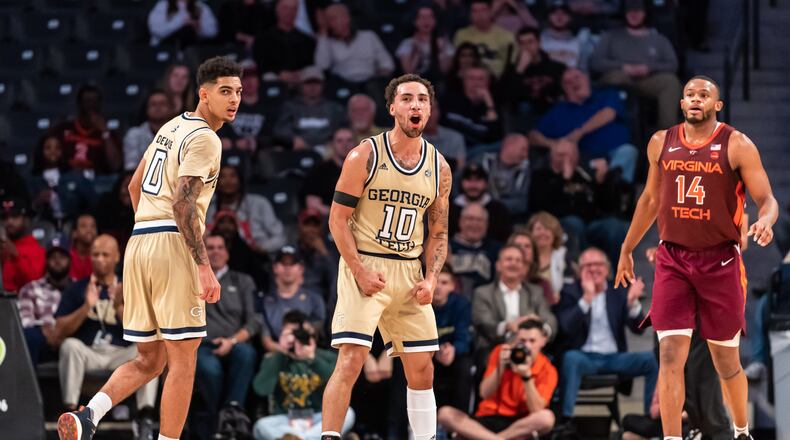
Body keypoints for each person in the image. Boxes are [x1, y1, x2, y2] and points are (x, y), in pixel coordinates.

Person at [56, 56, 243, 440]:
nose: (234, 99)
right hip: (173, 244)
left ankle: (89, 415)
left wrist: (150, 232)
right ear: (203, 94)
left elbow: (133, 186)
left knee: (149, 359)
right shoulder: (206, 138)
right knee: (184, 360)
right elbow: (183, 205)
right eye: (225, 91)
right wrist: (203, 266)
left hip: (139, 242)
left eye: (239, 92)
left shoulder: (170, 127)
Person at [615, 75, 779, 440]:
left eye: (703, 95)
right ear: (681, 103)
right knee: (670, 355)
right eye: (689, 94)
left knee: (727, 361)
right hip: (673, 260)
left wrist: (765, 220)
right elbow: (649, 201)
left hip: (720, 261)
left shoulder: (736, 144)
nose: (695, 99)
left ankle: (741, 431)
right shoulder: (661, 142)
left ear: (716, 105)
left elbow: (766, 199)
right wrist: (626, 248)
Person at [321, 74, 452, 440]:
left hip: (410, 270)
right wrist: (360, 271)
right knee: (350, 361)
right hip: (366, 262)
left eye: (422, 100)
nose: (415, 105)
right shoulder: (365, 154)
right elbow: (337, 220)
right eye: (407, 99)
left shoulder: (440, 167)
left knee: (422, 368)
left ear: (429, 109)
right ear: (392, 107)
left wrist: (431, 278)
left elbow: (439, 232)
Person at [55, 235, 159, 438]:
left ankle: (144, 416)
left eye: (105, 254)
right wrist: (87, 306)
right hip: (89, 355)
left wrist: (120, 306)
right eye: (95, 254)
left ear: (117, 257)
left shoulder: (130, 288)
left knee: (151, 352)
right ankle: (74, 415)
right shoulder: (78, 288)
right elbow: (59, 331)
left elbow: (147, 330)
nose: (99, 259)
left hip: (121, 356)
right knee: (69, 345)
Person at [555, 247, 657, 422]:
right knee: (570, 358)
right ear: (579, 271)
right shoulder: (570, 291)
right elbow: (566, 327)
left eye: (598, 265)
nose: (594, 269)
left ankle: (650, 418)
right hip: (584, 357)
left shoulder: (617, 290)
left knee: (652, 359)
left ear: (608, 269)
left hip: (614, 358)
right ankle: (565, 419)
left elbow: (638, 329)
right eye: (588, 265)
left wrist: (632, 303)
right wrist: (587, 298)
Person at [437, 319, 557, 439]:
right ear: (515, 340)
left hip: (518, 423)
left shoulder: (548, 369)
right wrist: (501, 367)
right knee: (445, 414)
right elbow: (484, 393)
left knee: (546, 418)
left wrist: (526, 376)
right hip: (487, 417)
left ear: (543, 341)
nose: (527, 346)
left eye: (532, 341)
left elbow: (537, 410)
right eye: (522, 340)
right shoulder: (501, 352)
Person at [252, 311, 354, 440]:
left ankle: (299, 438)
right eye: (291, 334)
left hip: (318, 418)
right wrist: (281, 352)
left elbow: (339, 386)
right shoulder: (275, 359)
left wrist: (312, 359)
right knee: (261, 426)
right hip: (286, 421)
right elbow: (261, 389)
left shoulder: (326, 357)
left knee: (348, 413)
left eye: (300, 334)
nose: (297, 339)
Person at [530, 68, 639, 183]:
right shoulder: (559, 111)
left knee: (628, 152)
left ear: (586, 78)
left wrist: (579, 132)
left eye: (577, 77)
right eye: (568, 82)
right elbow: (533, 136)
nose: (574, 82)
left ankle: (611, 186)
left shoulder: (606, 95)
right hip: (581, 162)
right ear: (564, 89)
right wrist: (554, 145)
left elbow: (608, 113)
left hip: (614, 153)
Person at [197, 234, 261, 430]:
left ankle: (231, 410)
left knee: (247, 354)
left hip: (235, 343)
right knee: (209, 368)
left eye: (220, 247)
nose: (215, 252)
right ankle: (221, 417)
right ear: (203, 253)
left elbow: (255, 320)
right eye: (210, 247)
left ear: (227, 254)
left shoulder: (243, 281)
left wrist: (232, 341)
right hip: (203, 344)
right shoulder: (193, 280)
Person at [590, 0, 681, 129]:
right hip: (618, 80)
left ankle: (667, 135)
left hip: (646, 81)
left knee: (671, 82)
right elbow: (596, 62)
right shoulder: (610, 36)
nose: (634, 15)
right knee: (617, 77)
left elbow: (672, 64)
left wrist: (648, 68)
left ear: (645, 13)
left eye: (638, 11)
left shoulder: (658, 39)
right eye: (630, 11)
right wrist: (623, 68)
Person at [472, 245, 557, 358]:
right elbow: (483, 322)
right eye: (509, 259)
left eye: (518, 260)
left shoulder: (535, 292)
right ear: (498, 266)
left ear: (523, 267)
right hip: (495, 347)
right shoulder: (483, 293)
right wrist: (508, 326)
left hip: (529, 347)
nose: (514, 263)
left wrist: (540, 328)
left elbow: (549, 319)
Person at [207, 164, 286, 255]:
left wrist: (263, 248)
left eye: (233, 176)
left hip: (256, 255)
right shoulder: (209, 208)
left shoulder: (259, 203)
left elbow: (279, 236)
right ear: (216, 182)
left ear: (240, 181)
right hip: (218, 255)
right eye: (223, 177)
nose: (228, 181)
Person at [261, 245, 327, 353]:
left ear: (301, 268)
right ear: (275, 268)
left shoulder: (315, 299)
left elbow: (317, 330)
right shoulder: (265, 302)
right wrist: (286, 351)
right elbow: (266, 340)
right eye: (283, 263)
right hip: (277, 355)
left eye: (292, 263)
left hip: (310, 352)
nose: (287, 268)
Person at [18, 238, 72, 365]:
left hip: (71, 339)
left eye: (62, 257)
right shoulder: (30, 288)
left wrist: (59, 333)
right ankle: (26, 384)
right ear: (46, 261)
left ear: (70, 260)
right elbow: (25, 321)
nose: (57, 261)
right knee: (29, 335)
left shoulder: (79, 288)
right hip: (42, 343)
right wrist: (43, 328)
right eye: (53, 257)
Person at [48, 84, 122, 175]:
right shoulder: (62, 129)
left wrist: (105, 132)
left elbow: (116, 165)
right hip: (65, 178)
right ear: (79, 104)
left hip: (97, 182)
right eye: (87, 101)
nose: (91, 105)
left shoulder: (108, 134)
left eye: (95, 101)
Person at [314, 3, 394, 84]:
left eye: (334, 18)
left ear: (347, 17)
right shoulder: (327, 42)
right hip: (343, 85)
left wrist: (381, 77)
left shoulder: (368, 36)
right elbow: (322, 66)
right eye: (329, 20)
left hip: (371, 81)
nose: (332, 23)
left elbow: (387, 63)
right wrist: (323, 34)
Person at [273, 67, 347, 151]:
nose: (312, 87)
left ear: (323, 84)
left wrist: (333, 141)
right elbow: (281, 129)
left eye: (316, 83)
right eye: (308, 83)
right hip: (298, 149)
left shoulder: (334, 108)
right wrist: (293, 139)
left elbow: (342, 128)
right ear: (300, 85)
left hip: (328, 150)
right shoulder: (290, 107)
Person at [29, 135, 96, 226]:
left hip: (73, 224)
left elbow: (91, 201)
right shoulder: (33, 180)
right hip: (45, 225)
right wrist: (37, 202)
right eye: (48, 148)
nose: (53, 151)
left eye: (58, 148)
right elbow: (27, 210)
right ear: (40, 151)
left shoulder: (75, 176)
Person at [431, 264, 473, 410]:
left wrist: (453, 349)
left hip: (452, 352)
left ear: (452, 286)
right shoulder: (417, 303)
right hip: (426, 352)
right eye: (435, 281)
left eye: (444, 283)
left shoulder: (461, 304)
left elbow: (464, 336)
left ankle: (459, 422)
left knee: (465, 365)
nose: (438, 287)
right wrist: (435, 351)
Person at [501, 26, 566, 116]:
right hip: (524, 114)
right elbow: (507, 98)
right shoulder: (512, 69)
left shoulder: (557, 67)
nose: (527, 47)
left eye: (530, 42)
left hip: (550, 110)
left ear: (539, 43)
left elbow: (562, 92)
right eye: (522, 43)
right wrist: (520, 69)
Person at [252, 0, 315, 88]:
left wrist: (297, 73)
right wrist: (280, 73)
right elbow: (261, 64)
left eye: (294, 9)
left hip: (301, 80)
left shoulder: (307, 40)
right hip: (275, 79)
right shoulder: (263, 39)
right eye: (286, 8)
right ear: (277, 10)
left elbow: (309, 62)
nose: (290, 12)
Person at [441, 65, 503, 148]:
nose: (476, 83)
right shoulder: (449, 100)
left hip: (478, 152)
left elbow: (495, 139)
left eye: (480, 79)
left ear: (488, 83)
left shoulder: (492, 106)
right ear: (464, 81)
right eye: (471, 78)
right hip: (449, 150)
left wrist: (489, 104)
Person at [451, 202, 503, 298]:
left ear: (487, 224)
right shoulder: (445, 246)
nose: (475, 223)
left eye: (479, 220)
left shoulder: (497, 250)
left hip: (486, 301)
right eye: (470, 219)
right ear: (460, 221)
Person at [452, 0, 516, 78]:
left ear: (490, 11)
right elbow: (456, 63)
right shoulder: (461, 35)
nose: (479, 15)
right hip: (468, 80)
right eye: (474, 11)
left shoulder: (506, 36)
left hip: (499, 81)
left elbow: (512, 65)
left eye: (483, 10)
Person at [449, 163, 512, 242]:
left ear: (486, 183)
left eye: (478, 180)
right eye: (469, 180)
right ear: (461, 183)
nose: (473, 185)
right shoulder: (450, 210)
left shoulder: (498, 210)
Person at [303, 127, 356, 217]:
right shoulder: (319, 171)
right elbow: (312, 204)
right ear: (332, 144)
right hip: (330, 221)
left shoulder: (366, 169)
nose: (345, 144)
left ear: (356, 143)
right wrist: (340, 215)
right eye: (339, 141)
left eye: (349, 140)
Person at [479, 133, 531, 221]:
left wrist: (490, 205)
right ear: (509, 146)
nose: (526, 155)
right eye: (523, 150)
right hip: (477, 214)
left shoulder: (525, 170)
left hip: (508, 218)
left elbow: (521, 204)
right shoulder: (483, 161)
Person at [396, 5, 454, 82]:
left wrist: (440, 51)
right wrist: (416, 51)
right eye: (422, 17)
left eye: (430, 17)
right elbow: (408, 73)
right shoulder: (407, 43)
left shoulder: (443, 43)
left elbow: (444, 70)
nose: (426, 21)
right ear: (414, 21)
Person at [1, 197, 46, 294]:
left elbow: (35, 284)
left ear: (25, 220)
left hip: (25, 303)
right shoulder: (2, 247)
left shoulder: (36, 249)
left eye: (15, 216)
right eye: (5, 217)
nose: (9, 222)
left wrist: (17, 257)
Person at [123, 90, 175, 171]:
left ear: (171, 110)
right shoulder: (134, 134)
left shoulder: (181, 134)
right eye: (153, 104)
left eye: (162, 104)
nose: (158, 107)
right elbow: (131, 167)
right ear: (146, 110)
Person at [540, 0, 594, 70]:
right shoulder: (539, 40)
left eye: (564, 13)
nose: (559, 16)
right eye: (554, 13)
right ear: (548, 17)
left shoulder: (579, 42)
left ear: (570, 18)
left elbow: (583, 69)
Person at [147, 0, 218, 47]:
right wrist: (183, 22)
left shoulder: (200, 6)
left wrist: (198, 27)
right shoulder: (163, 5)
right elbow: (156, 30)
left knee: (188, 31)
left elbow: (212, 32)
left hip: (193, 49)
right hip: (165, 46)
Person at [421, 101, 467, 172]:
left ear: (438, 112)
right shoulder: (408, 140)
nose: (428, 115)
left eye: (432, 110)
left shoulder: (455, 138)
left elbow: (460, 172)